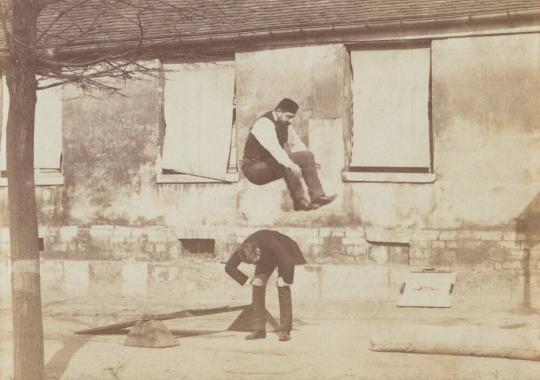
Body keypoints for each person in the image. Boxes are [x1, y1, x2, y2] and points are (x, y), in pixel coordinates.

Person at [242, 98, 337, 211]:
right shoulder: (264, 123)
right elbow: (275, 149)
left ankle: (312, 199)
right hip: (254, 169)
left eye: (291, 117)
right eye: (288, 116)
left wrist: (309, 163)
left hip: (267, 166)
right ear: (279, 110)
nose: (289, 120)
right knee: (288, 161)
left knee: (305, 156)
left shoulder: (284, 123)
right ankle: (305, 200)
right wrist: (292, 164)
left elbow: (296, 142)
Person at [225, 229, 307, 341]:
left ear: (258, 251)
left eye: (255, 261)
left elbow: (288, 261)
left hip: (285, 251)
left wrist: (285, 279)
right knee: (257, 284)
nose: (254, 264)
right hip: (267, 257)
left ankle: (285, 330)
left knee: (282, 287)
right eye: (251, 263)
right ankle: (258, 329)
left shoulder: (271, 243)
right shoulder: (242, 250)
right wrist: (249, 280)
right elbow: (229, 267)